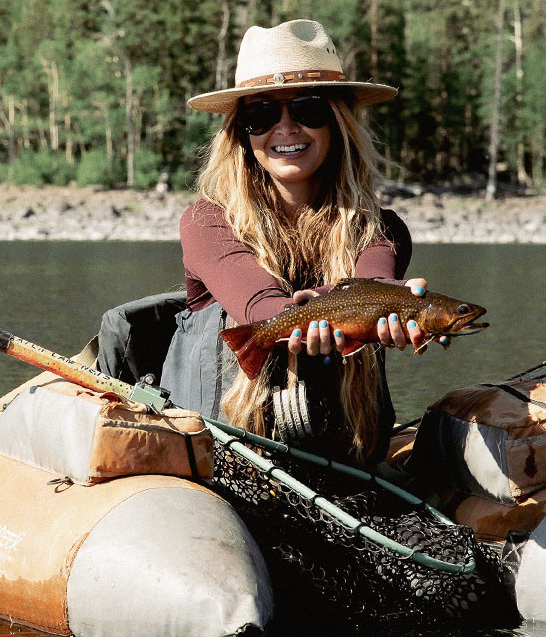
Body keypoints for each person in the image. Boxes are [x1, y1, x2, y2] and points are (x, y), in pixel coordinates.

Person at [178, 18, 427, 469]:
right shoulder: (206, 222)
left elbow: (372, 282)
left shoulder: (383, 229)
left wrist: (401, 310)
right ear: (241, 132)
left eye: (309, 111)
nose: (286, 128)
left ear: (338, 123)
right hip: (225, 462)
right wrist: (330, 307)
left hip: (348, 463)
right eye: (261, 115)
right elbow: (259, 308)